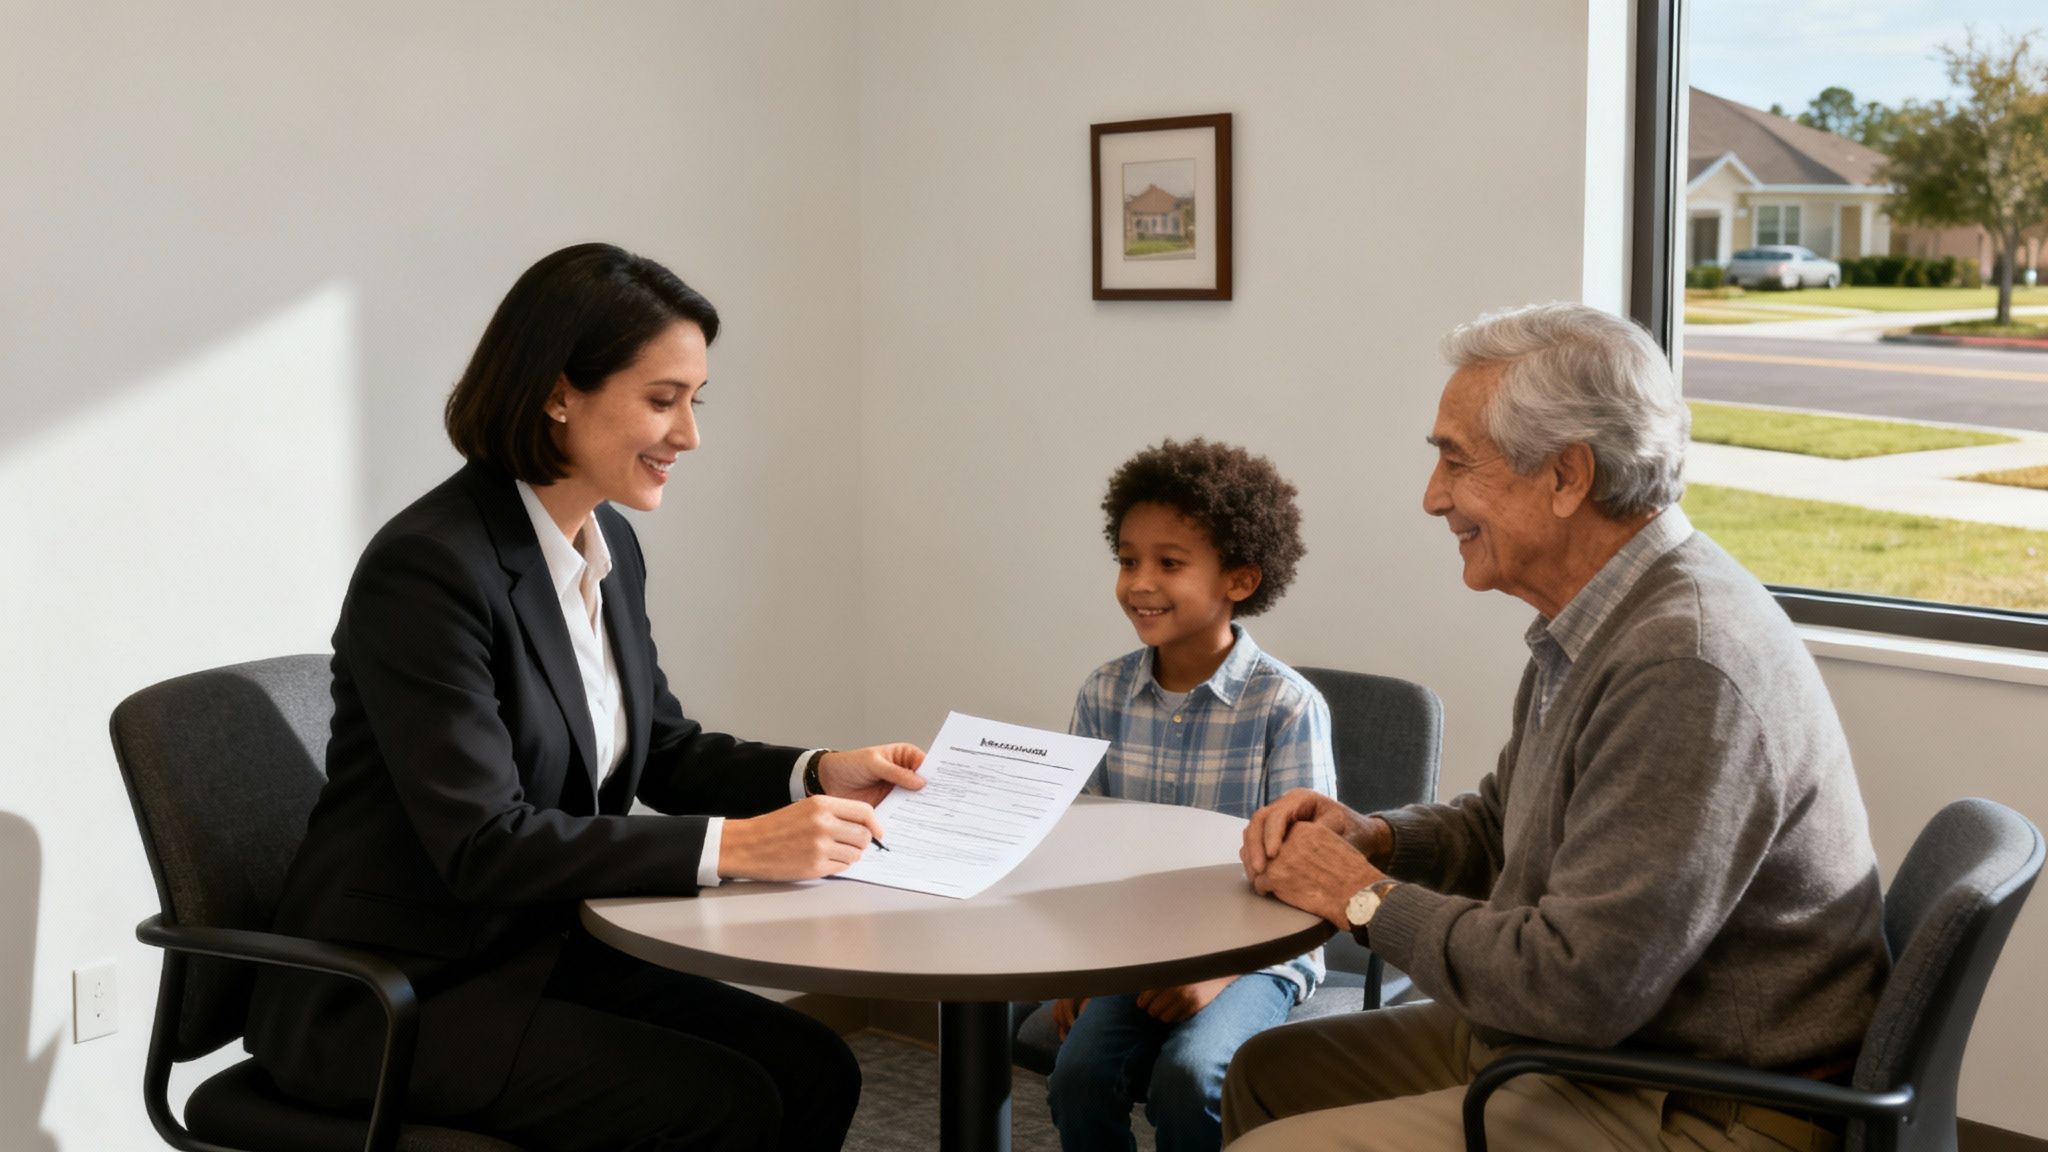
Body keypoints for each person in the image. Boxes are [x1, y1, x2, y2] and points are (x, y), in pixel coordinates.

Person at [244, 243, 927, 1152]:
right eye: (662, 399)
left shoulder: (605, 546)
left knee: (816, 1070)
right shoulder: (431, 567)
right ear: (559, 392)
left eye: (694, 400)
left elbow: (665, 750)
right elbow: (484, 844)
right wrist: (741, 846)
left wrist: (818, 773)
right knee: (728, 1105)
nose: (689, 435)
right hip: (401, 989)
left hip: (533, 955)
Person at [1225, 303, 1890, 1152]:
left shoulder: (1682, 663)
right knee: (1268, 1074)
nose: (1433, 499)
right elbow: (1510, 823)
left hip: (1703, 1099)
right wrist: (1377, 839)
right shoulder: (1599, 617)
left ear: (1568, 476)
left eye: (1456, 463)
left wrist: (1357, 897)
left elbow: (1574, 987)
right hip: (1619, 1048)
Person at [1045, 438, 1336, 1152]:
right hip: (1138, 949)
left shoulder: (1286, 706)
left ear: (1239, 578)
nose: (1139, 582)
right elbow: (1080, 849)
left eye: (1169, 563)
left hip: (1261, 954)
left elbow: (1310, 879)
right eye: (1126, 559)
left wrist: (1218, 974)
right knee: (1077, 1076)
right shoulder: (1103, 693)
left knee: (1191, 1075)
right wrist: (1083, 966)